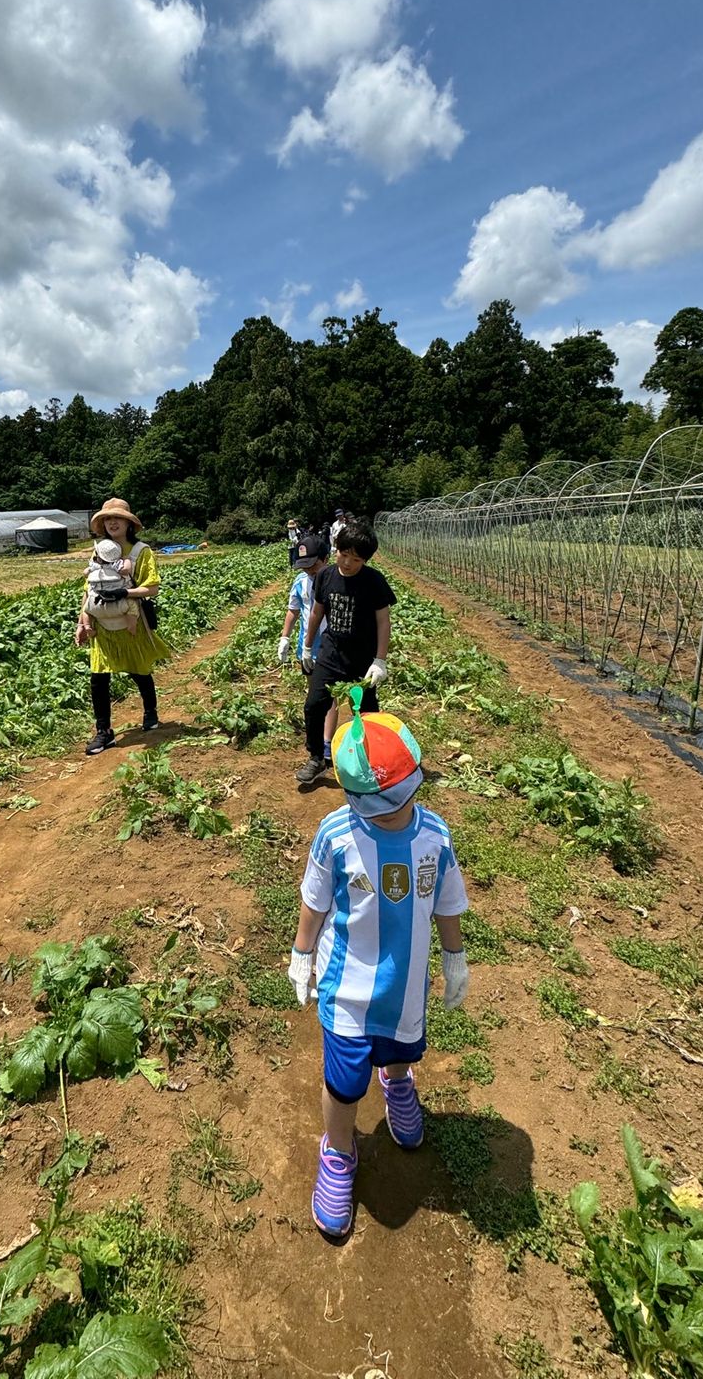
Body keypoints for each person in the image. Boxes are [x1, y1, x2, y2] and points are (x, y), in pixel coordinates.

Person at [288, 694, 471, 1238]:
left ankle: (397, 1085)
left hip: (404, 987)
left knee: (399, 1050)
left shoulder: (434, 837)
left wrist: (455, 956)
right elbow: (315, 900)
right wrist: (302, 952)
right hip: (347, 987)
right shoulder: (336, 835)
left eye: (400, 801)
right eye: (378, 805)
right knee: (344, 1082)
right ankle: (339, 1153)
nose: (392, 814)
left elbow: (447, 901)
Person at [295, 519, 394, 786]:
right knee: (314, 705)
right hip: (330, 654)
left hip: (362, 658)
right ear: (335, 548)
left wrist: (380, 660)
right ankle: (316, 757)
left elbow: (383, 621)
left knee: (365, 712)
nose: (347, 562)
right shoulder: (325, 576)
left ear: (365, 561)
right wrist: (307, 645)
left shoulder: (374, 581)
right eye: (343, 554)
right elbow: (317, 612)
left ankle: (369, 760)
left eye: (356, 559)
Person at [74, 498, 169, 754]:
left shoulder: (141, 552)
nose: (112, 522)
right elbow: (89, 588)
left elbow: (153, 588)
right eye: (107, 519)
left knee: (139, 670)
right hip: (102, 624)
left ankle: (150, 712)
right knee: (98, 677)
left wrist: (124, 593)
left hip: (131, 621)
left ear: (129, 523)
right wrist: (82, 622)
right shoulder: (98, 551)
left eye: (117, 518)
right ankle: (103, 731)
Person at [276, 533, 338, 763]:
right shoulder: (301, 582)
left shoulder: (336, 581)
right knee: (314, 691)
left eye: (314, 565)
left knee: (330, 694)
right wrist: (285, 637)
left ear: (326, 558)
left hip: (332, 646)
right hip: (308, 645)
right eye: (305, 567)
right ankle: (319, 735)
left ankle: (327, 742)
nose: (310, 571)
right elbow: (293, 610)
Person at [84, 538, 140, 634]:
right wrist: (126, 559)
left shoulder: (94, 566)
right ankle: (132, 626)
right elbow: (126, 570)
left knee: (85, 610)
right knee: (133, 606)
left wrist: (90, 570)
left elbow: (85, 573)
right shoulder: (116, 565)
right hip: (118, 603)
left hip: (95, 603)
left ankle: (87, 626)